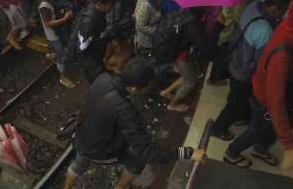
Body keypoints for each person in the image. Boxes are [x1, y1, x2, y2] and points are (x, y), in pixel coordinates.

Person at [62, 56, 205, 189]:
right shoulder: (125, 110)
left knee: (79, 162)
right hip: (98, 151)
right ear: (133, 88)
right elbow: (148, 152)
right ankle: (120, 187)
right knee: (137, 161)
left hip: (80, 136)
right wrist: (187, 152)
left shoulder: (102, 78)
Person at [224, 0, 293, 170]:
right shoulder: (281, 58)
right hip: (264, 99)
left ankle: (260, 148)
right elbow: (274, 101)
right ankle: (231, 151)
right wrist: (289, 145)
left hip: (276, 90)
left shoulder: (290, 29)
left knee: (276, 126)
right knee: (257, 129)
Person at [211, 0, 291, 141]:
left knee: (236, 97)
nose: (285, 13)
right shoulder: (265, 30)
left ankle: (240, 116)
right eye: (284, 10)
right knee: (235, 103)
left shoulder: (253, 6)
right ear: (274, 9)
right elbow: (260, 62)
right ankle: (218, 128)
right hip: (244, 72)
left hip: (236, 60)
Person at [159, 8, 212, 112]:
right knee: (190, 82)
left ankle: (165, 92)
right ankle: (172, 105)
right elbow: (203, 45)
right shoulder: (193, 21)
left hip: (176, 51)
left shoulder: (183, 11)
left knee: (188, 75)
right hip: (182, 56)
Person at [68, 0, 117, 84]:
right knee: (97, 82)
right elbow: (82, 49)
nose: (112, 7)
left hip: (96, 52)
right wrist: (95, 68)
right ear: (100, 3)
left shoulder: (97, 10)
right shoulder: (89, 23)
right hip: (90, 60)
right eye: (110, 4)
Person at [39, 0, 77, 88]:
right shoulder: (44, 4)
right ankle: (63, 77)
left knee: (61, 48)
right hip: (53, 34)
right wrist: (65, 18)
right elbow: (48, 23)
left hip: (60, 29)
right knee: (62, 54)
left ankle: (53, 54)